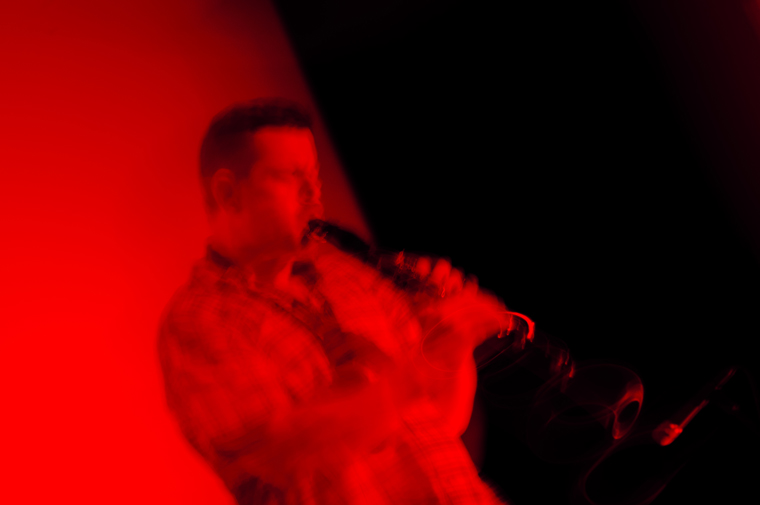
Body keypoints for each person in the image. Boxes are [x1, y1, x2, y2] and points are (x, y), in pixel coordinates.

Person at [158, 98, 511, 504]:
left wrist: (452, 345)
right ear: (227, 193)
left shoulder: (350, 276)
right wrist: (416, 371)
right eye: (291, 176)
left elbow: (443, 421)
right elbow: (287, 457)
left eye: (315, 175)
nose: (314, 195)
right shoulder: (199, 321)